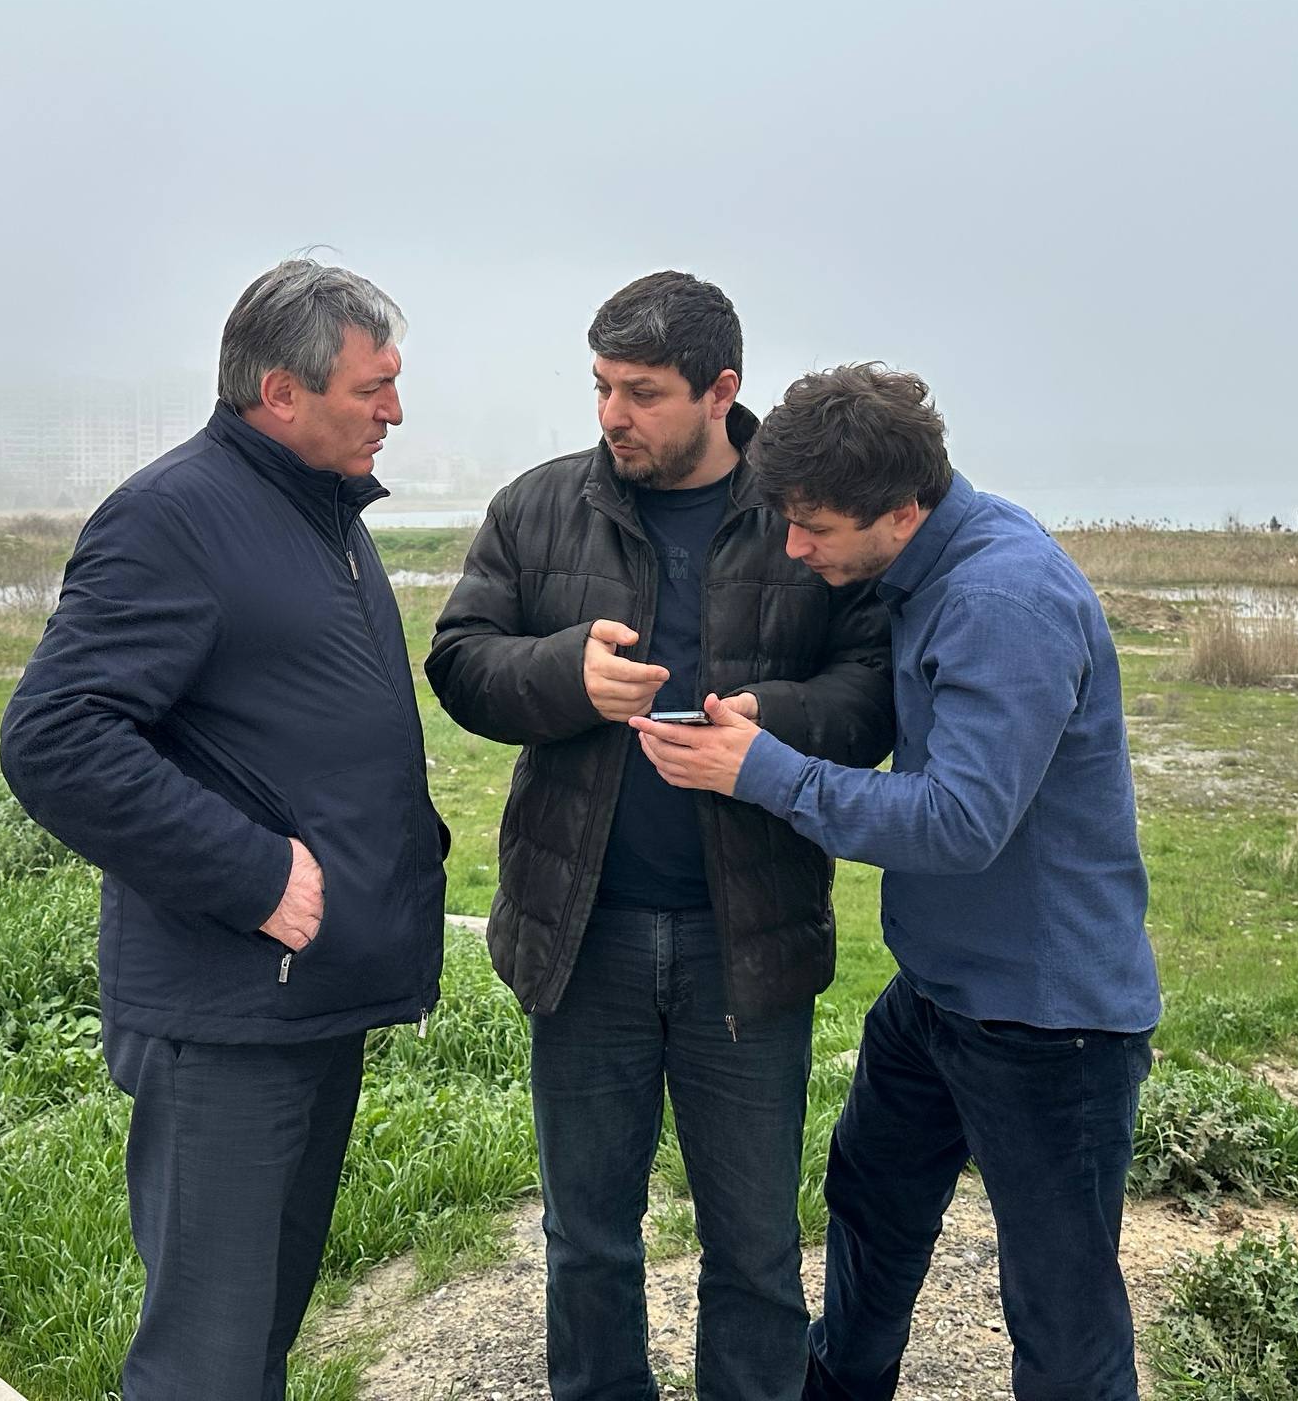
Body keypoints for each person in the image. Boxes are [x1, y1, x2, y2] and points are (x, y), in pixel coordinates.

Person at [633, 364, 1160, 1401]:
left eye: (815, 528)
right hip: (938, 995)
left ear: (903, 511)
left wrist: (762, 770)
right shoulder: (930, 567)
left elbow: (960, 823)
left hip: (1049, 1023)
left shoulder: (1002, 599)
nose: (794, 549)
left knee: (1062, 1320)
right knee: (870, 1206)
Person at [425, 272, 894, 1401]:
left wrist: (769, 723)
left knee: (756, 1251)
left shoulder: (801, 515)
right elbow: (458, 661)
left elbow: (876, 690)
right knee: (587, 1243)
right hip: (581, 937)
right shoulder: (538, 507)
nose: (612, 415)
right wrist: (565, 676)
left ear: (721, 392)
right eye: (601, 387)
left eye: (641, 393)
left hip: (750, 939)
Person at [0, 259, 447, 1401]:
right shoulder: (175, 517)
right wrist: (253, 875)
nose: (395, 411)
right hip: (226, 1013)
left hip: (307, 999)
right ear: (280, 393)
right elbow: (55, 738)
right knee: (205, 1358)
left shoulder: (321, 509)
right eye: (373, 388)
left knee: (258, 1343)